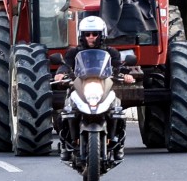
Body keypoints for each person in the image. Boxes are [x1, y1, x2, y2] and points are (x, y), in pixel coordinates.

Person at [55, 15, 133, 161]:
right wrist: (60, 74)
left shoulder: (111, 52)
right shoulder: (73, 52)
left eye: (95, 34)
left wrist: (126, 75)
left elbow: (119, 67)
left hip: (103, 86)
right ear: (82, 36)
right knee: (65, 113)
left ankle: (118, 143)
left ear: (101, 34)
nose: (91, 37)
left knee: (117, 112)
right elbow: (65, 65)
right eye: (87, 34)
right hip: (80, 86)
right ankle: (66, 145)